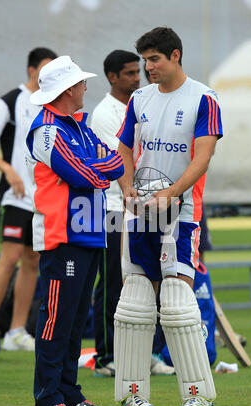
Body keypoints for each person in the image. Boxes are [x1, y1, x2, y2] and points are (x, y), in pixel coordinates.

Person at [114, 27, 223, 406]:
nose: (147, 67)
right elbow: (125, 146)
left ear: (175, 55)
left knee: (177, 302)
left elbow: (202, 157)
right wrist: (127, 187)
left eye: (154, 59)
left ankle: (199, 397)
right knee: (135, 302)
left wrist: (172, 193)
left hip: (181, 215)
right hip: (140, 213)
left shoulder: (204, 98)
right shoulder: (140, 98)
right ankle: (131, 396)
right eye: (144, 60)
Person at [25, 55, 124, 406]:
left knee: (73, 318)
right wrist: (95, 168)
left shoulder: (79, 126)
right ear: (68, 89)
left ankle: (68, 394)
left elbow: (114, 164)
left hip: (89, 235)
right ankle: (47, 401)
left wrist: (94, 168)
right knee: (56, 320)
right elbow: (81, 174)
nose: (86, 87)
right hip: (61, 235)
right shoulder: (47, 129)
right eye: (81, 83)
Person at [90, 49, 174, 377]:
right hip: (114, 207)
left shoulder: (143, 104)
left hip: (148, 207)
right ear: (112, 77)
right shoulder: (105, 113)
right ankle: (107, 355)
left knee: (148, 279)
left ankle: (148, 353)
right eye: (128, 73)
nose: (137, 77)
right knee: (114, 282)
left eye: (137, 71)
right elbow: (120, 159)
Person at [0, 47, 57, 351]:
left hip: (43, 197)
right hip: (15, 195)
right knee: (8, 259)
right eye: (44, 70)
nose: (47, 76)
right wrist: (8, 169)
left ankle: (16, 331)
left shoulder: (53, 104)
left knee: (32, 260)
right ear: (31, 70)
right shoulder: (10, 101)